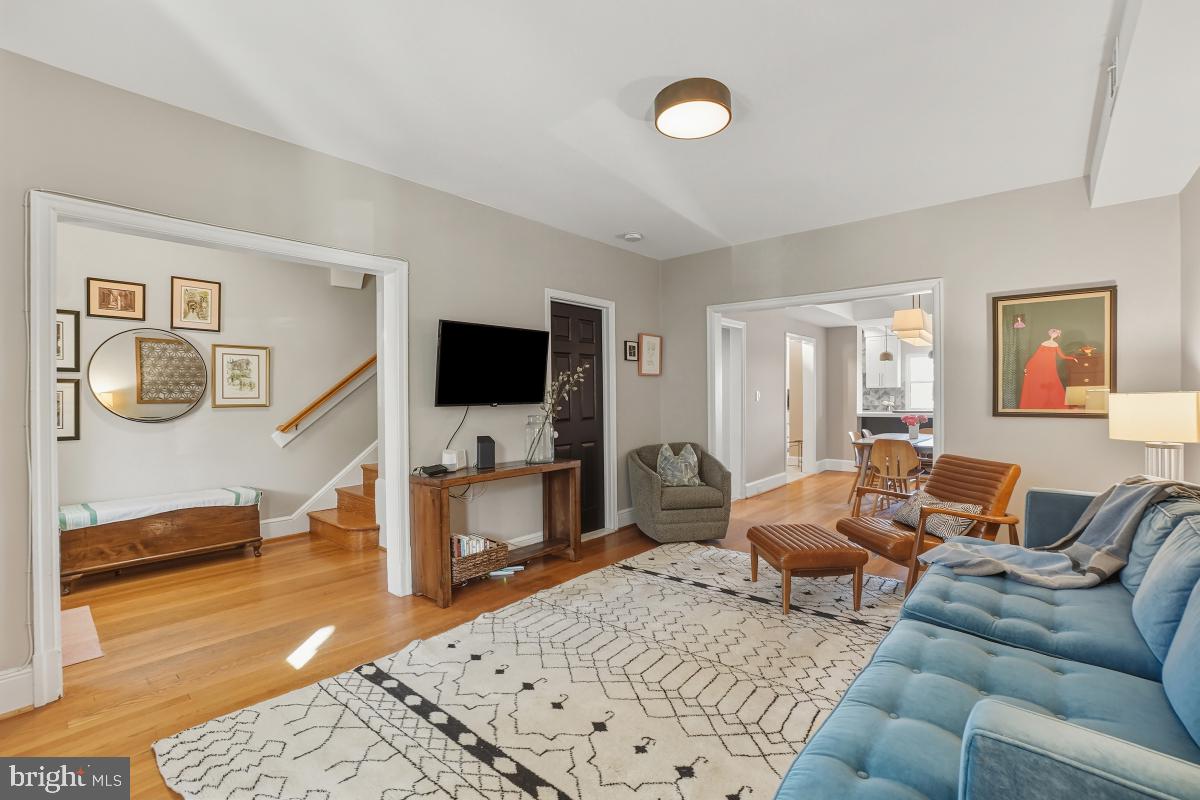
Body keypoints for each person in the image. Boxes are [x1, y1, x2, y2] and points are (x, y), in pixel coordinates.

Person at [1019, 328, 1077, 409]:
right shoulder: (1043, 343)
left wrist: (1072, 358)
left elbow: (1062, 356)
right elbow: (1036, 356)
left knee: (1051, 384)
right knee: (1040, 384)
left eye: (1056, 334)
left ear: (1057, 336)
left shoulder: (1056, 345)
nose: (1054, 335)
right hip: (1042, 367)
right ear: (1050, 334)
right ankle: (1038, 404)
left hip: (1050, 367)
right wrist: (1028, 366)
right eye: (1053, 333)